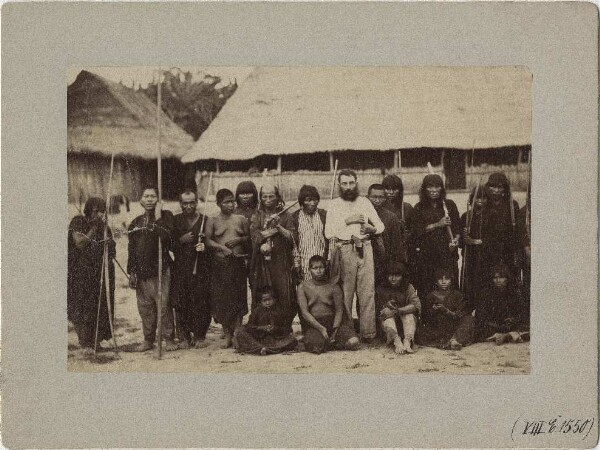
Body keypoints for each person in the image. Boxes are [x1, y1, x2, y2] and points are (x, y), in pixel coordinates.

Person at [324, 169, 385, 342]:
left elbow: (380, 226)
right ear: (339, 185)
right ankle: (348, 333)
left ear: (356, 183)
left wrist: (372, 229)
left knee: (367, 293)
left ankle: (368, 334)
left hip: (365, 248)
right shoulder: (334, 204)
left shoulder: (364, 202)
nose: (348, 187)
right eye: (344, 183)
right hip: (344, 249)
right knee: (346, 294)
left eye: (351, 183)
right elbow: (328, 233)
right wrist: (347, 221)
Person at [127, 186, 177, 352]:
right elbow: (131, 250)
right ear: (141, 200)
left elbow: (167, 238)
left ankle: (169, 339)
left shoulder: (166, 217)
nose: (149, 199)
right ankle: (148, 340)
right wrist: (132, 272)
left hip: (160, 270)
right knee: (145, 308)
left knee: (163, 306)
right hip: (142, 273)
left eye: (153, 196)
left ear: (158, 200)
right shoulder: (136, 222)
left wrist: (157, 218)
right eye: (146, 196)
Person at [68, 197, 115, 354]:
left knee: (99, 307)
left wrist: (110, 244)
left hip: (98, 274)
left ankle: (96, 341)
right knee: (82, 307)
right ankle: (85, 341)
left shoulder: (104, 227)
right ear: (88, 210)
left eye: (102, 211)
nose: (99, 214)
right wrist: (95, 227)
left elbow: (111, 252)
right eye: (96, 211)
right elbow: (80, 242)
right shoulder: (78, 221)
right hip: (80, 274)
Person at [205, 188, 250, 349]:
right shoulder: (212, 220)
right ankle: (227, 333)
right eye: (226, 202)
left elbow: (248, 238)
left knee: (238, 298)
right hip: (220, 264)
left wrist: (239, 240)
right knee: (223, 299)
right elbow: (208, 241)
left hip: (237, 263)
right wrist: (222, 248)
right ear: (218, 204)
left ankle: (238, 332)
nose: (230, 205)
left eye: (232, 201)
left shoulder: (241, 219)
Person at [250, 183, 296, 326]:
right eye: (264, 196)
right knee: (264, 292)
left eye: (271, 196)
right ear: (261, 198)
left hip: (281, 261)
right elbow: (254, 235)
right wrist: (262, 243)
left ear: (277, 197)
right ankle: (263, 327)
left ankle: (284, 328)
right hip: (262, 261)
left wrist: (278, 226)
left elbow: (292, 237)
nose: (268, 199)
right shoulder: (257, 215)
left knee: (284, 293)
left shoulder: (286, 215)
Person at [171, 189, 211, 349]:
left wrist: (204, 247)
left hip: (201, 269)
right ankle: (185, 336)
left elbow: (211, 241)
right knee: (181, 302)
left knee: (201, 302)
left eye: (192, 202)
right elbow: (169, 244)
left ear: (196, 203)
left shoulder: (205, 220)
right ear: (180, 204)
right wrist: (180, 240)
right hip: (181, 269)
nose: (188, 206)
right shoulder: (175, 220)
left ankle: (200, 335)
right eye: (185, 203)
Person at [453, 262, 528, 347]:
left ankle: (506, 336)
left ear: (507, 278)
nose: (498, 280)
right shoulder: (486, 293)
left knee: (528, 327)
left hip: (509, 326)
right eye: (495, 278)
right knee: (470, 322)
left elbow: (520, 313)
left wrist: (512, 320)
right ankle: (505, 335)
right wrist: (494, 324)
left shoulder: (514, 293)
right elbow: (481, 315)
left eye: (502, 277)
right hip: (492, 327)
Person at [411, 174, 460, 299]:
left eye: (437, 187)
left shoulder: (449, 205)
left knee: (449, 288)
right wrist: (438, 224)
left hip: (447, 254)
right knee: (427, 289)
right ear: (424, 189)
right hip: (427, 257)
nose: (434, 190)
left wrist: (455, 241)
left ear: (442, 188)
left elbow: (458, 228)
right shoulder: (419, 208)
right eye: (430, 187)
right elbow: (417, 231)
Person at [297, 256, 360, 354]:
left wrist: (335, 330)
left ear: (325, 268)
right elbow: (305, 313)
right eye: (315, 268)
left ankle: (334, 342)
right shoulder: (303, 287)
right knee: (317, 347)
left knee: (354, 342)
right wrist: (321, 329)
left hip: (333, 323)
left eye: (321, 267)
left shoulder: (333, 286)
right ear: (309, 269)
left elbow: (339, 310)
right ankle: (327, 343)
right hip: (315, 325)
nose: (318, 271)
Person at [233, 287, 298, 355]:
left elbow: (287, 328)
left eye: (269, 300)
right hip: (258, 339)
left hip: (275, 339)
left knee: (292, 340)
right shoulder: (256, 311)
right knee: (239, 330)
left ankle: (262, 349)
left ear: (274, 299)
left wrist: (275, 328)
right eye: (264, 300)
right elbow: (250, 326)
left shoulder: (280, 311)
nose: (267, 303)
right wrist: (261, 328)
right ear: (261, 301)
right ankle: (262, 348)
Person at [376, 261, 421, 354]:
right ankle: (396, 341)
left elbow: (416, 305)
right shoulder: (381, 288)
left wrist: (398, 311)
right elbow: (379, 310)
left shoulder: (408, 287)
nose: (393, 278)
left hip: (405, 325)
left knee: (408, 315)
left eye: (397, 276)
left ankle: (408, 341)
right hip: (389, 327)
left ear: (402, 276)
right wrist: (386, 305)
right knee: (386, 313)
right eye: (390, 275)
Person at [367, 183, 408, 284]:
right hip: (366, 263)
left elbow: (396, 246)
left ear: (385, 198)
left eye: (381, 197)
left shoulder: (391, 217)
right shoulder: (362, 215)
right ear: (368, 197)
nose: (377, 200)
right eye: (374, 197)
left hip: (384, 264)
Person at [459, 185, 491, 312]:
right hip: (470, 256)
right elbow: (462, 242)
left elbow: (492, 238)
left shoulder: (491, 215)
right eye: (477, 197)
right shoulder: (466, 216)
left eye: (484, 198)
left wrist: (474, 241)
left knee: (483, 283)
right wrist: (464, 235)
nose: (480, 201)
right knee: (469, 283)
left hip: (485, 256)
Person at [418, 267, 466, 350]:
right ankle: (451, 341)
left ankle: (454, 340)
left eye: (447, 279)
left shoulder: (457, 295)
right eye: (440, 279)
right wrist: (433, 311)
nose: (443, 282)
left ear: (451, 280)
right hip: (437, 328)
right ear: (436, 282)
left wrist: (446, 310)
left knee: (469, 320)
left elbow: (459, 315)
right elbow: (426, 318)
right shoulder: (431, 296)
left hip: (452, 326)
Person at [483, 172, 520, 276]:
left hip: (507, 248)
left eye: (500, 187)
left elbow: (517, 229)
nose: (496, 191)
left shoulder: (512, 205)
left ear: (505, 189)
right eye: (493, 187)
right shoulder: (484, 203)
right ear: (488, 187)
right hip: (488, 248)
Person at [290, 185, 328, 283]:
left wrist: (328, 260)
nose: (312, 203)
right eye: (308, 200)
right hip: (305, 265)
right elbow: (294, 244)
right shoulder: (295, 217)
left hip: (322, 265)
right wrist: (297, 265)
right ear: (302, 202)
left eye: (314, 200)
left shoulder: (324, 215)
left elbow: (330, 239)